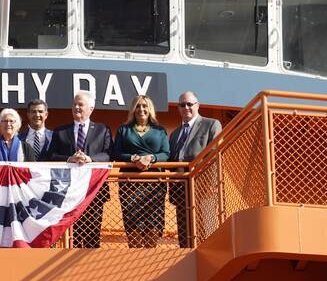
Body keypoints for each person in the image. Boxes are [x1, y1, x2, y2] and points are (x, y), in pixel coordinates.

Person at [46, 91, 113, 248]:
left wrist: (90, 159)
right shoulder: (60, 131)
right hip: (68, 193)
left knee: (92, 237)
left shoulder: (103, 129)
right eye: (74, 104)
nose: (76, 107)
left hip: (94, 191)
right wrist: (70, 159)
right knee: (71, 238)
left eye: (80, 104)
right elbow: (51, 156)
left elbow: (109, 154)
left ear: (91, 108)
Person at [113, 95, 170, 248]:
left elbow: (166, 154)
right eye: (138, 106)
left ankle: (149, 258)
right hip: (130, 185)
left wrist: (150, 158)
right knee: (133, 223)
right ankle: (135, 255)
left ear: (150, 109)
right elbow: (116, 153)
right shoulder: (123, 130)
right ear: (133, 109)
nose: (141, 109)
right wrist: (133, 158)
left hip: (155, 185)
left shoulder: (160, 131)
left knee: (153, 223)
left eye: (144, 106)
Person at [168, 91, 222, 247]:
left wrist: (212, 183)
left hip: (203, 186)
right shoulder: (175, 134)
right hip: (180, 189)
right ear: (178, 108)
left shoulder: (211, 124)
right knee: (185, 234)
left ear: (197, 105)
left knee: (205, 229)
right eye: (182, 105)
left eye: (189, 104)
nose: (186, 107)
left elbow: (215, 155)